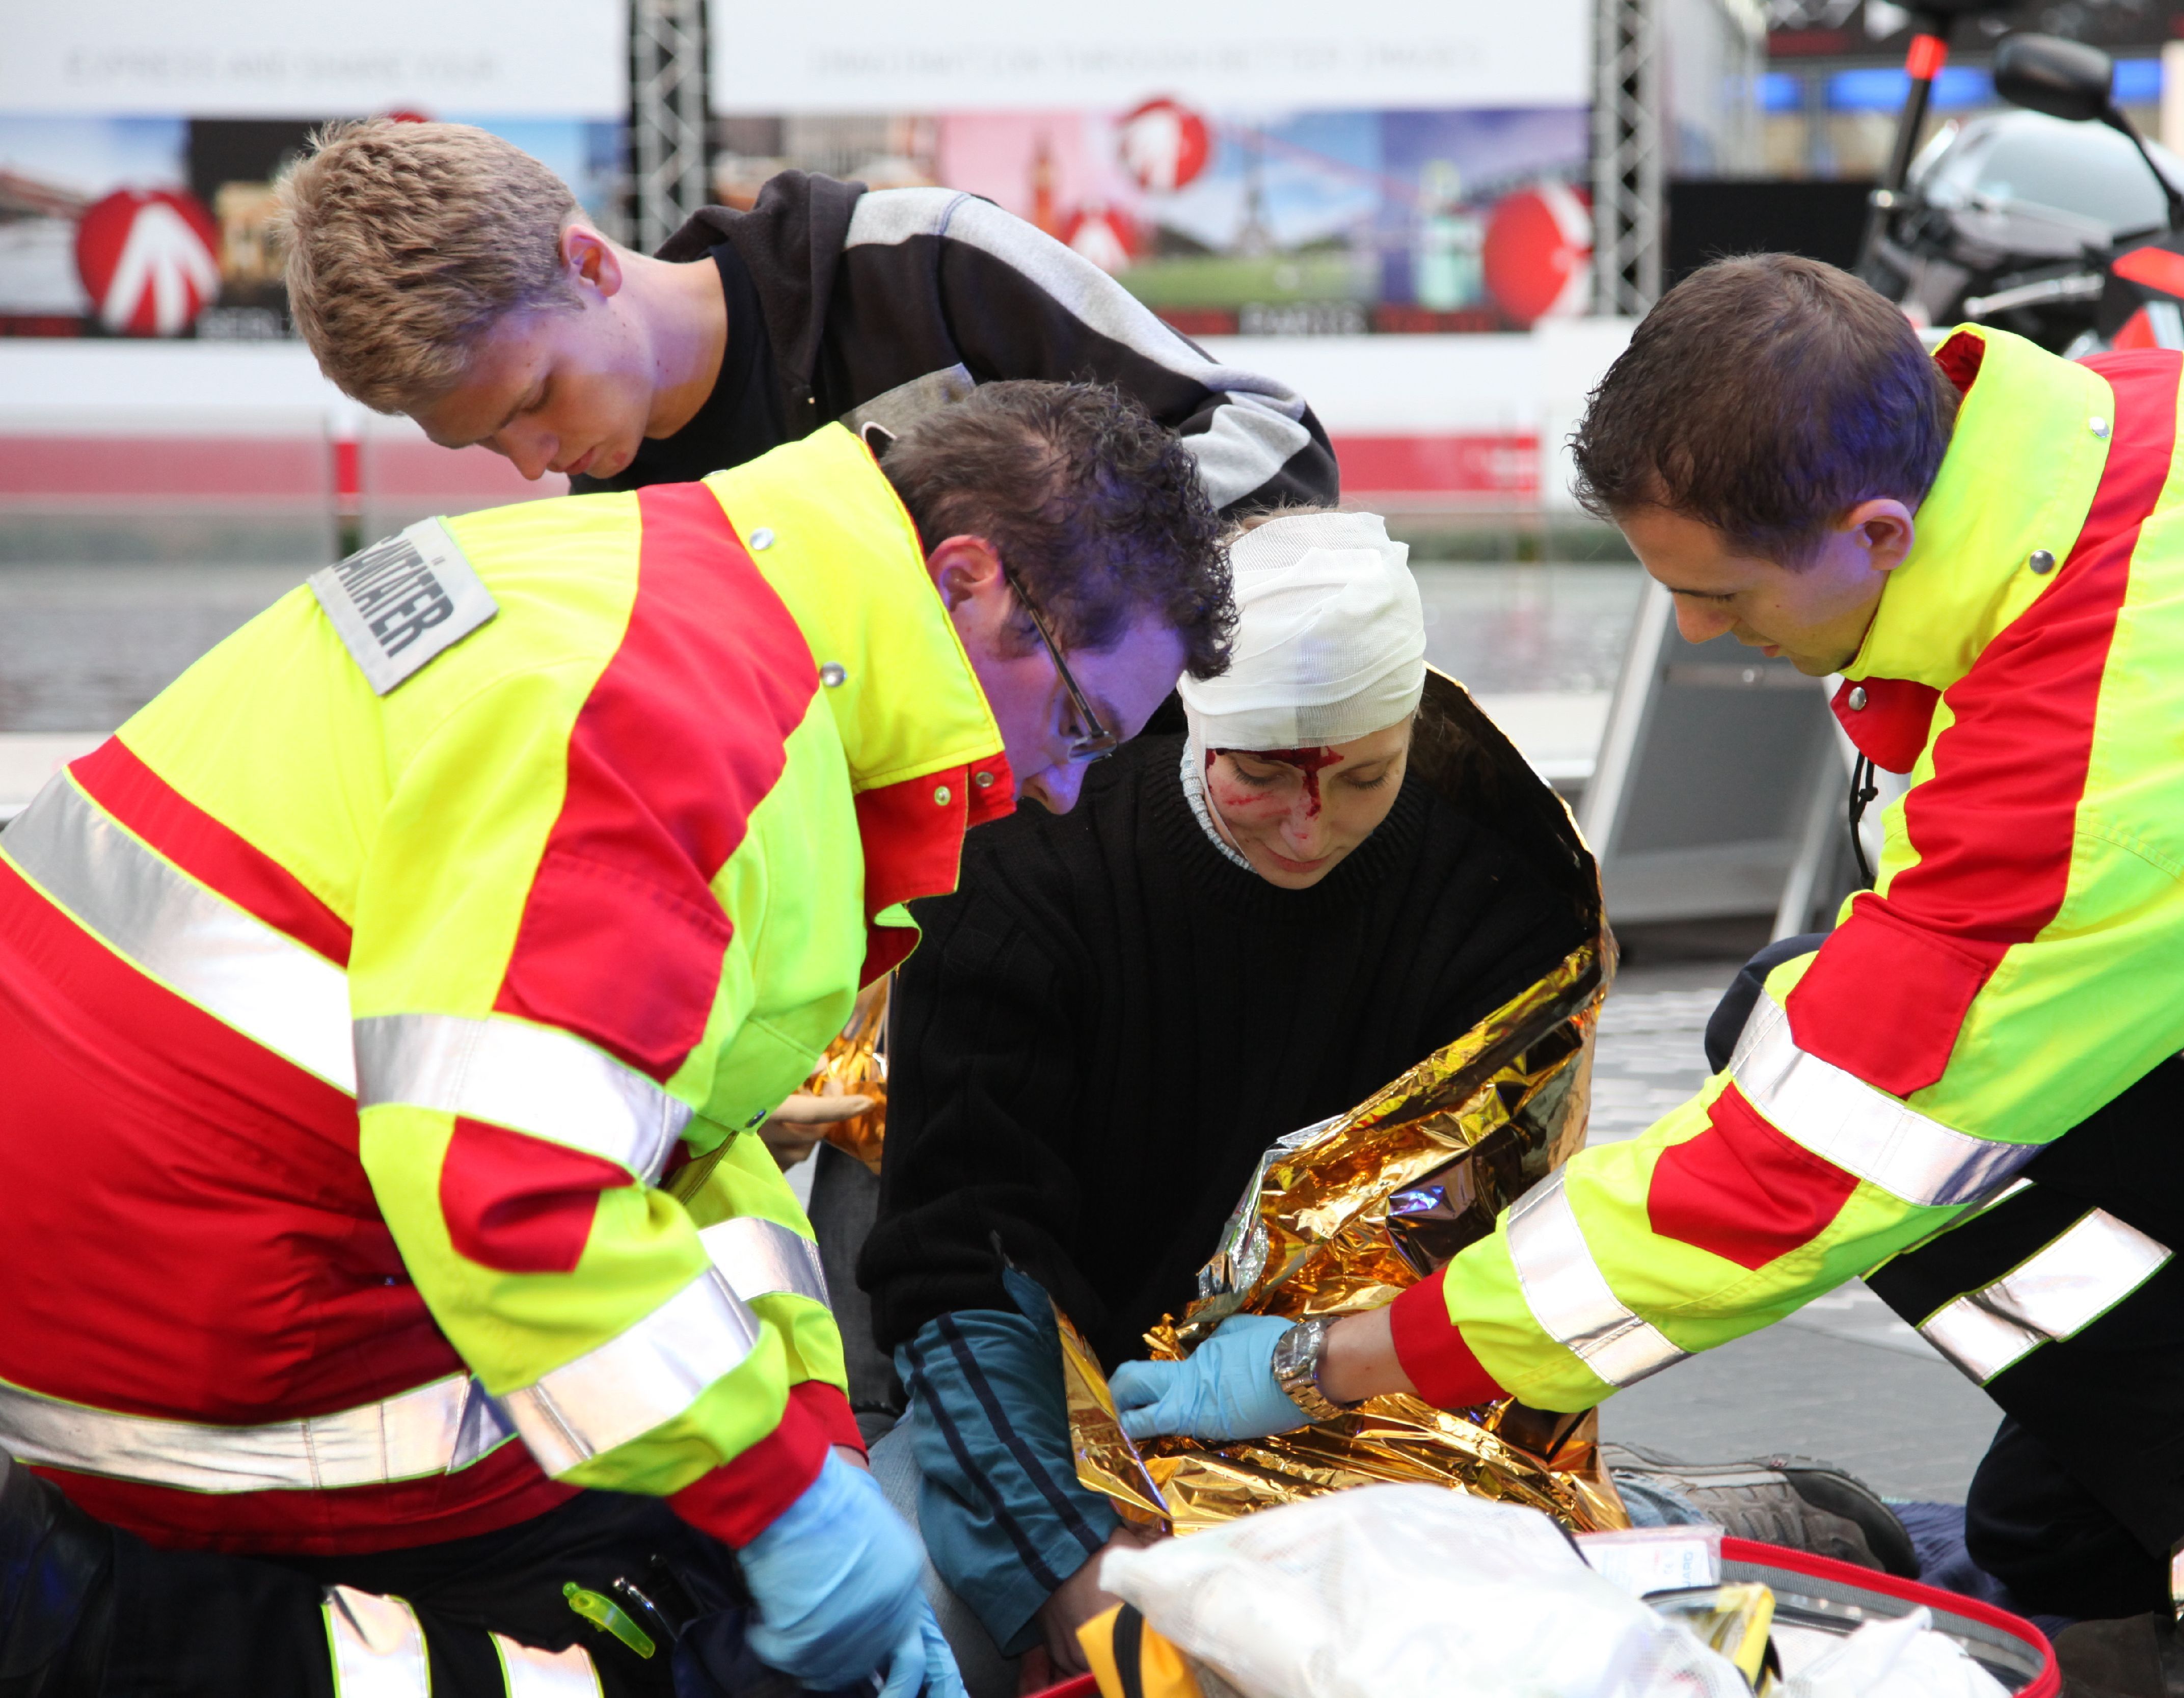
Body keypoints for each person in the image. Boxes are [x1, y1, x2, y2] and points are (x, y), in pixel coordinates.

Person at [1101, 255, 2184, 1697]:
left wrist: (1352, 1356)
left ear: (1877, 526)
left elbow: (1789, 1176)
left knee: (1838, 1088)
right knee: (2048, 1535)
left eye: (1720, 591)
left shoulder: (2097, 779)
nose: (1700, 635)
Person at [0, 382, 1231, 1697]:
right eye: (1085, 726)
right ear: (969, 578)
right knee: (686, 1634)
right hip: (199, 1338)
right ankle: (114, 1632)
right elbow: (512, 1190)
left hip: (138, 1228)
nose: (1062, 790)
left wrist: (819, 1443)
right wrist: (778, 1501)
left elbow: (687, 1141)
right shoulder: (687, 724)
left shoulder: (688, 587)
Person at [851, 511, 1594, 1694]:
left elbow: (1487, 1255)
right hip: (1044, 1391)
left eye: (1365, 777)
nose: (1312, 825)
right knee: (903, 1624)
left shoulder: (1496, 898)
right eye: (1258, 776)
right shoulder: (1031, 865)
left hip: (1358, 1393)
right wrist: (1068, 1558)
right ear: (1196, 721)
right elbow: (960, 1259)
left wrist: (1316, 1383)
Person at [274, 121, 1336, 516]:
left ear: (589, 263)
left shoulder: (923, 259)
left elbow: (1277, 446)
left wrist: (1042, 563)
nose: (530, 460)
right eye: (488, 440)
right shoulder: (620, 533)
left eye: (535, 399)